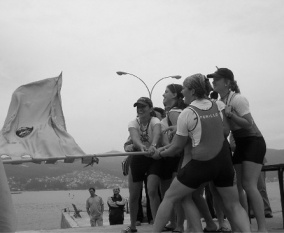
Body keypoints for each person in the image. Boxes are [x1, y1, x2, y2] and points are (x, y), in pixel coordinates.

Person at [150, 73, 251, 232]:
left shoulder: (187, 113)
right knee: (234, 205)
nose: (182, 91)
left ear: (192, 91)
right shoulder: (218, 105)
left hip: (201, 164)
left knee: (170, 197)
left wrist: (159, 154)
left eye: (184, 88)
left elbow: (176, 147)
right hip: (224, 163)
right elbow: (225, 131)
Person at [208, 67, 268, 232]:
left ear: (227, 82)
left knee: (249, 185)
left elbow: (248, 123)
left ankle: (262, 228)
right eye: (213, 80)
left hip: (253, 141)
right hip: (241, 144)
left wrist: (231, 115)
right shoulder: (222, 100)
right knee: (237, 188)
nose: (213, 82)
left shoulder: (238, 99)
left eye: (216, 79)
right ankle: (244, 226)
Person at [122, 97, 162, 233]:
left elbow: (156, 133)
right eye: (138, 107)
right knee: (133, 195)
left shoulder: (155, 120)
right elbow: (134, 137)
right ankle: (132, 226)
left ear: (150, 109)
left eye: (143, 106)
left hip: (153, 158)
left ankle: (156, 225)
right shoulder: (133, 122)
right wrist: (141, 147)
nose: (140, 109)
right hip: (139, 158)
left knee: (152, 191)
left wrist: (153, 146)